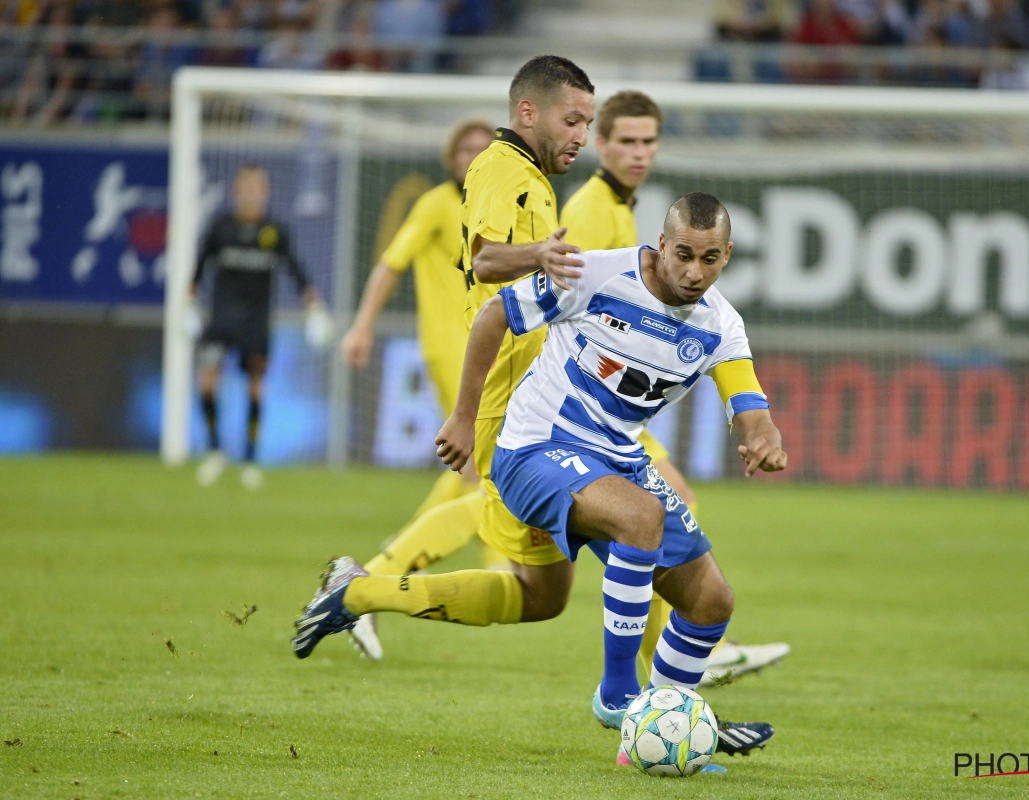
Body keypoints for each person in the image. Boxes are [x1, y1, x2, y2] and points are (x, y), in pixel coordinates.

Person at [292, 56, 775, 760]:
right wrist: (541, 266)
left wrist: (757, 424)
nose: (585, 136)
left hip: (581, 418)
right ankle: (631, 701)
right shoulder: (510, 174)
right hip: (520, 412)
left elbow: (739, 384)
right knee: (625, 518)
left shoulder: (566, 194)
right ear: (530, 114)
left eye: (637, 136)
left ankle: (661, 707)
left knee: (549, 591)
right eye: (578, 121)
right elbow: (489, 264)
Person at [561, 90, 790, 687]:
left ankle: (667, 675)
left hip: (618, 427)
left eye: (648, 141)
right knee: (641, 522)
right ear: (599, 142)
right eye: (626, 141)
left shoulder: (719, 320)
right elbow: (551, 312)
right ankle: (640, 683)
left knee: (545, 591)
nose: (694, 271)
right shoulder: (594, 217)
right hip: (568, 417)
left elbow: (747, 397)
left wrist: (762, 431)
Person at [338, 120, 496, 658]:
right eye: (465, 149)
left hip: (495, 348)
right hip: (454, 349)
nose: (474, 157)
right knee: (479, 464)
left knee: (485, 465)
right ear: (451, 158)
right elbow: (389, 265)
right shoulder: (434, 204)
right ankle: (398, 567)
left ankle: (395, 553)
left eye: (483, 149)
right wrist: (361, 326)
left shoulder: (497, 207)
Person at [192, 164, 320, 490]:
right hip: (221, 322)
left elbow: (297, 272)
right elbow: (197, 271)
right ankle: (215, 452)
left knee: (255, 387)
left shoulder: (274, 232)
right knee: (206, 384)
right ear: (236, 191)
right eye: (246, 188)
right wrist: (187, 307)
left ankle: (249, 460)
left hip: (255, 325)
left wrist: (315, 309)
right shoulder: (219, 228)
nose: (252, 195)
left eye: (258, 188)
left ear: (266, 193)